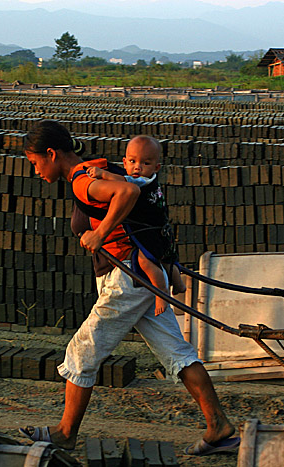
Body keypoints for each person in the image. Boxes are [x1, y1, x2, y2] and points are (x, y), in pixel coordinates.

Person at [20, 120, 240, 456]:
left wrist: (101, 232)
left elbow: (130, 191)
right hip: (136, 278)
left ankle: (65, 433)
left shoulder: (82, 182)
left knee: (82, 352)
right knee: (177, 353)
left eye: (35, 163)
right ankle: (218, 426)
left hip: (127, 280)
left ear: (51, 153)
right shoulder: (91, 169)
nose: (35, 171)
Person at [85, 135, 186, 317]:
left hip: (149, 230)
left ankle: (161, 292)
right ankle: (178, 283)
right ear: (124, 162)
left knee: (144, 260)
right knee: (167, 258)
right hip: (162, 228)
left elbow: (123, 183)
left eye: (145, 163)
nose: (137, 167)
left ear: (156, 167)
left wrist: (102, 175)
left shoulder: (140, 181)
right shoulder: (152, 180)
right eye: (132, 161)